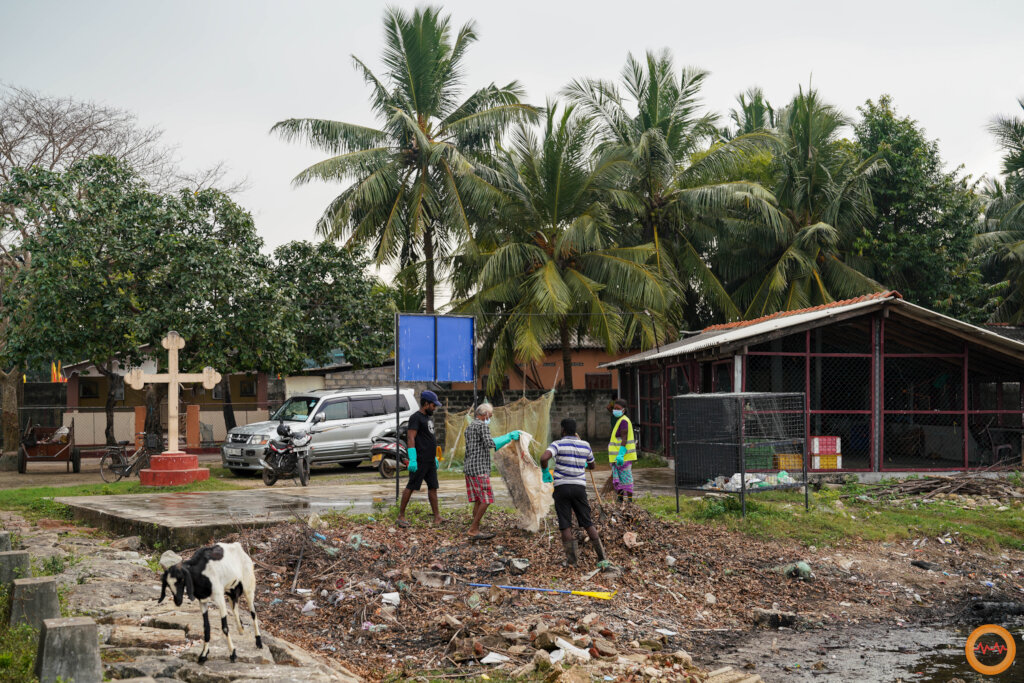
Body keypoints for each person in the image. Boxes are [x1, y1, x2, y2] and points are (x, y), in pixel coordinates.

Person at [540, 418, 607, 567]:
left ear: (563, 430)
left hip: (562, 488)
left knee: (565, 525)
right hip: (579, 488)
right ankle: (602, 558)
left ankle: (572, 561)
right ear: (575, 431)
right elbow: (592, 465)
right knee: (587, 522)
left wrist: (545, 471)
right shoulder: (585, 445)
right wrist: (582, 462)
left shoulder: (557, 444)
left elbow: (544, 458)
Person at [463, 403, 520, 540]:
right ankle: (473, 529)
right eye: (490, 415)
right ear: (484, 414)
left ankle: (476, 526)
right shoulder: (482, 426)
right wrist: (508, 437)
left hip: (470, 467)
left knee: (478, 499)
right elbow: (490, 444)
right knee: (487, 498)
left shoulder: (470, 426)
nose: (491, 418)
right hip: (479, 468)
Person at [397, 390, 443, 527]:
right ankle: (401, 516)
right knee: (411, 486)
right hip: (420, 460)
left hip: (430, 460)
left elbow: (428, 438)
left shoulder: (428, 418)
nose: (434, 408)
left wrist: (434, 457)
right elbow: (411, 438)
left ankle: (437, 517)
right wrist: (413, 458)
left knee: (433, 487)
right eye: (433, 405)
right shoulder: (415, 418)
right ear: (426, 404)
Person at [608, 398, 637, 504]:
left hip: (624, 457)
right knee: (619, 480)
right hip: (617, 457)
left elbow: (624, 439)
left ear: (623, 410)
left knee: (626, 479)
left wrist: (620, 454)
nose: (615, 410)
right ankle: (620, 500)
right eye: (614, 408)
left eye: (618, 409)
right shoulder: (619, 420)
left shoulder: (624, 421)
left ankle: (629, 501)